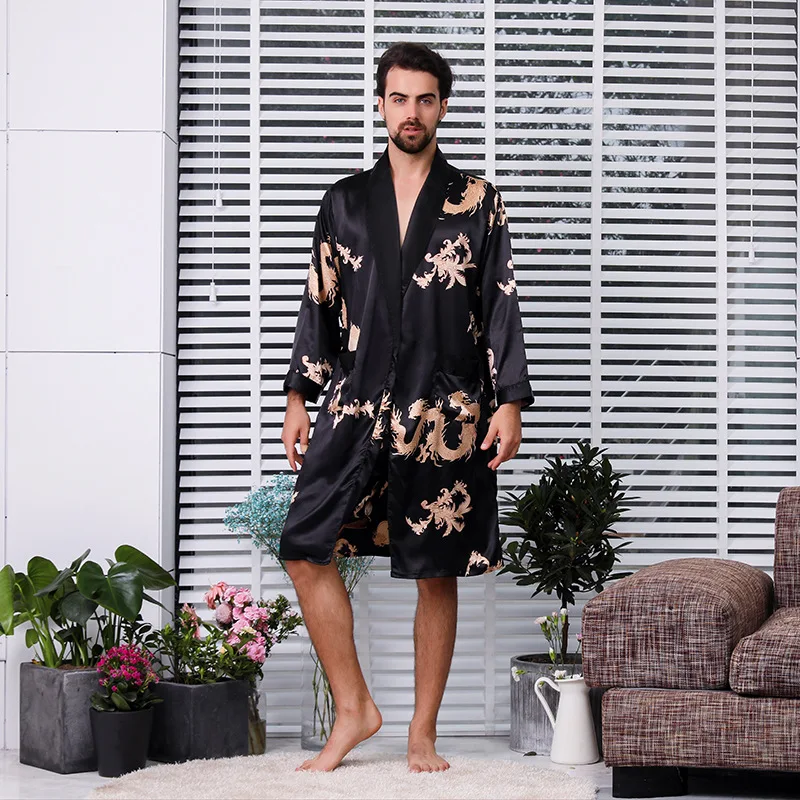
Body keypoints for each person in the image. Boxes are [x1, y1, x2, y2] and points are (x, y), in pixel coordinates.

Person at [279, 41, 533, 774]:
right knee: (302, 547)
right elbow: (318, 301)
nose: (411, 112)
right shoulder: (344, 201)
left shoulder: (476, 200)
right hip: (355, 402)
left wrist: (510, 403)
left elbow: (500, 303)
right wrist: (298, 397)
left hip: (444, 409)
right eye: (399, 98)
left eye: (425, 99)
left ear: (443, 106)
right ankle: (354, 708)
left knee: (434, 567)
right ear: (381, 104)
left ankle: (422, 732)